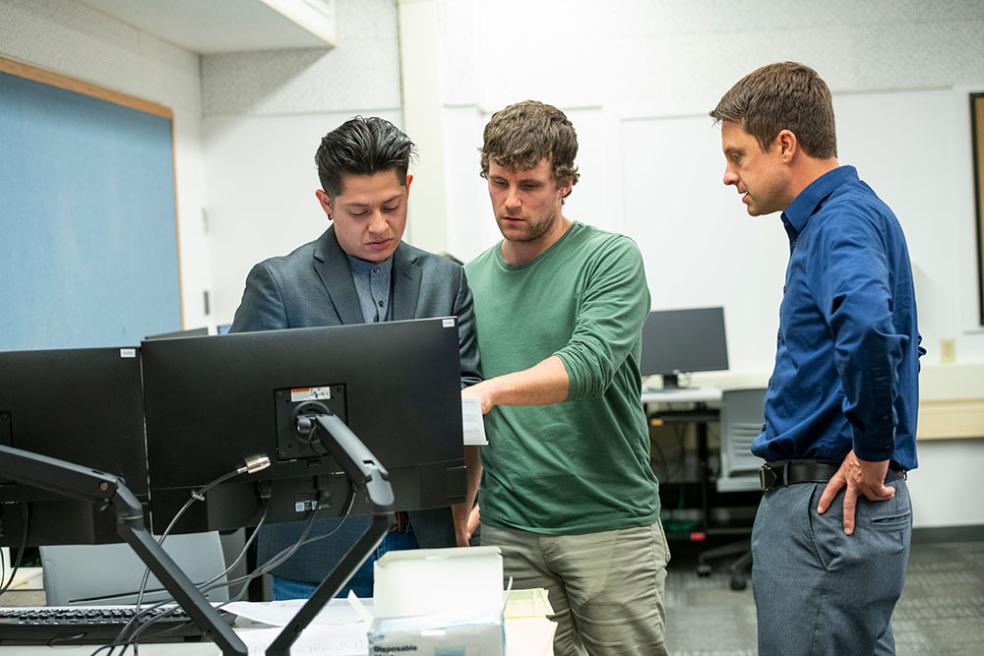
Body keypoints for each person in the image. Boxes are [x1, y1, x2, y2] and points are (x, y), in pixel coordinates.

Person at [710, 62, 922, 655]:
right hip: (837, 509)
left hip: (826, 511)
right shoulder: (858, 213)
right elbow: (902, 344)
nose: (728, 176)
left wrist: (874, 454)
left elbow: (873, 333)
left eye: (738, 156)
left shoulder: (840, 223)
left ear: (785, 145)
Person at [230, 116, 482, 600]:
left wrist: (461, 510)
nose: (380, 225)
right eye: (359, 211)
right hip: (316, 550)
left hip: (422, 541)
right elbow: (246, 410)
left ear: (408, 186)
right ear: (326, 204)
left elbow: (468, 394)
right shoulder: (279, 284)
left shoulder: (445, 280)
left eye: (392, 205)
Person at [463, 100, 669, 656]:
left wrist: (492, 391)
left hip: (608, 524)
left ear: (566, 184)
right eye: (498, 181)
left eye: (529, 184)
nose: (510, 200)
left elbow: (589, 363)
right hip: (510, 528)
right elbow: (468, 406)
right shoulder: (471, 278)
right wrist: (466, 507)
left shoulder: (609, 259)